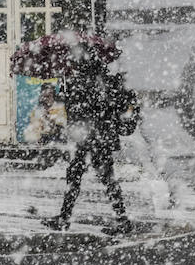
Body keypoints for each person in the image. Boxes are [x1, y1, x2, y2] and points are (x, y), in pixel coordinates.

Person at [44, 56, 132, 235]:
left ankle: (66, 218)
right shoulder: (106, 82)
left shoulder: (85, 83)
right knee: (102, 178)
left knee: (81, 176)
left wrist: (67, 93)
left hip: (92, 139)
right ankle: (120, 219)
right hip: (101, 138)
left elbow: (79, 110)